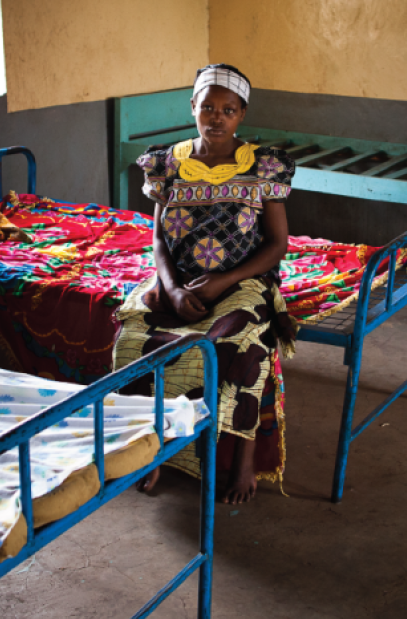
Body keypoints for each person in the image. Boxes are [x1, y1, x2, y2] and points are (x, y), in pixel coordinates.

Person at [112, 64, 297, 504]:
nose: (216, 118)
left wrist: (222, 281)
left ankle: (243, 458)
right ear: (193, 107)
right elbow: (158, 238)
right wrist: (172, 288)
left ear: (242, 114)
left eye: (228, 110)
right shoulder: (166, 165)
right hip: (177, 280)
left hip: (243, 279)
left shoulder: (264, 167)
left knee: (240, 346)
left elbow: (277, 245)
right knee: (132, 342)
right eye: (208, 107)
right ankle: (150, 452)